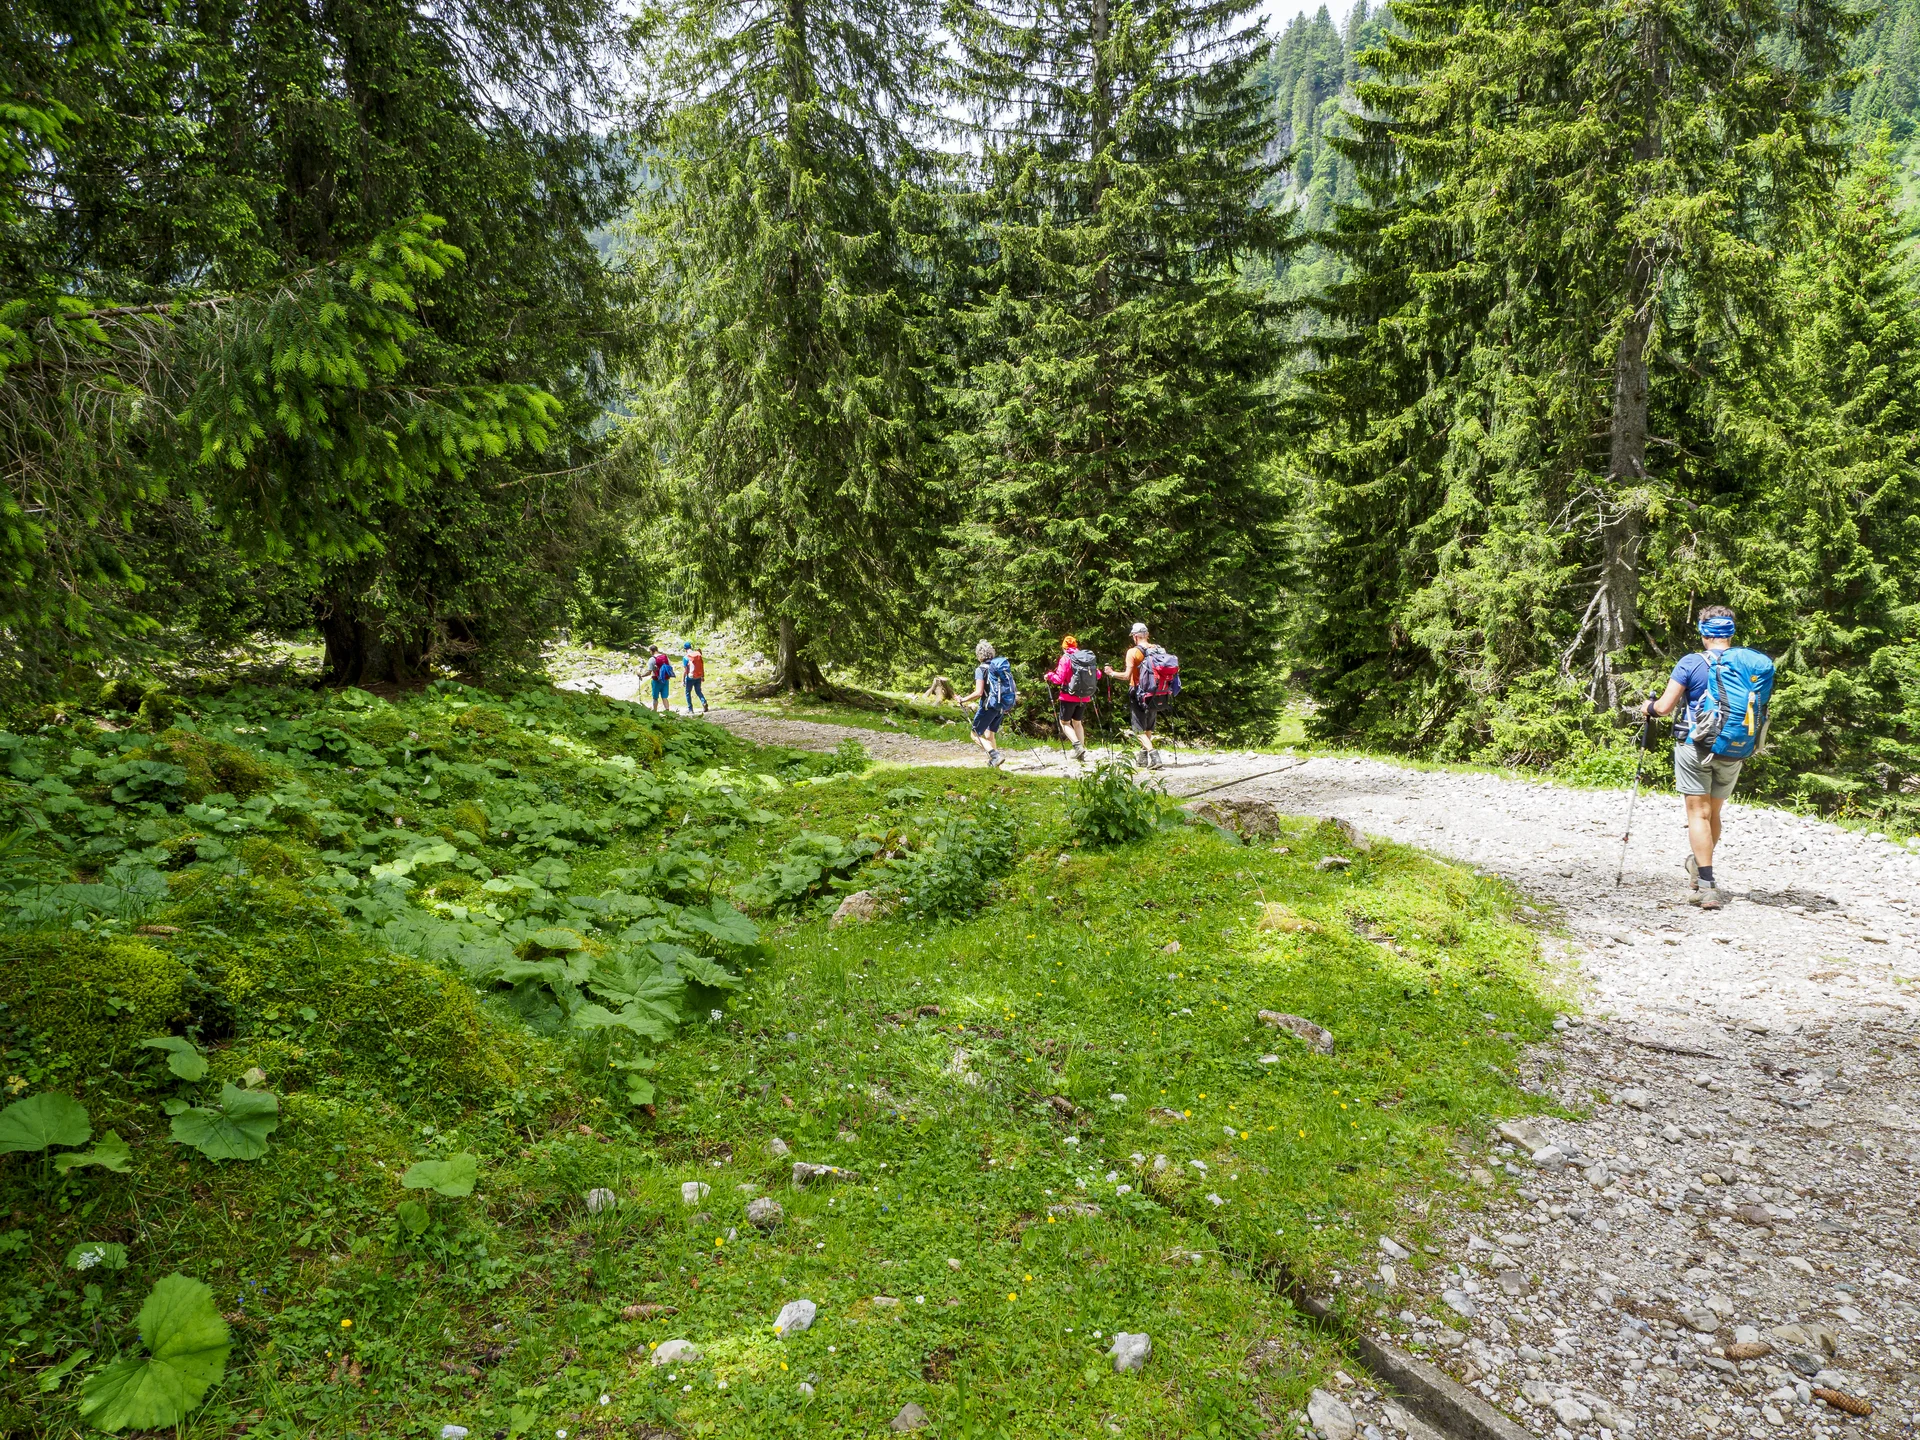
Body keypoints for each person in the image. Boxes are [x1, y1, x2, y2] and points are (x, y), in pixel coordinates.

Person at [1643, 605, 1770, 911]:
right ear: (1731, 633)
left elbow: (1663, 708)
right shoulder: (1747, 665)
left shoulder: (1691, 663)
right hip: (1733, 748)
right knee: (1713, 814)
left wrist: (1648, 707)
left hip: (1695, 747)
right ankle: (1700, 868)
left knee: (1697, 816)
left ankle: (1707, 887)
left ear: (1703, 632)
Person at [1121, 621, 1178, 770]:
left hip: (1138, 691)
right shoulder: (1159, 649)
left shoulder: (1133, 652)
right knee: (1148, 726)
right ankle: (1142, 757)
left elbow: (1127, 675)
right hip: (1157, 691)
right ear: (1147, 635)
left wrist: (1111, 673)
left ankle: (1154, 755)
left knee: (1138, 729)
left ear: (1135, 636)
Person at [955, 640, 1015, 767]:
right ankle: (995, 764)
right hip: (1000, 706)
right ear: (991, 653)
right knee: (989, 734)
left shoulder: (980, 670)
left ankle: (995, 756)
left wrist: (963, 700)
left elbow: (978, 692)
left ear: (979, 655)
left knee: (974, 734)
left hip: (988, 706)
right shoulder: (997, 668)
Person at [1044, 634, 1100, 761]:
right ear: (1076, 646)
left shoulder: (1066, 658)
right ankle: (1081, 750)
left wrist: (1049, 676)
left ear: (1064, 647)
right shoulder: (1085, 658)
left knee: (1064, 722)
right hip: (1085, 696)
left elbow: (1059, 679)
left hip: (1068, 696)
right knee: (1077, 722)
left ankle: (1077, 746)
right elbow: (1098, 674)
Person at [682, 641, 708, 714]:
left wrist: (683, 680)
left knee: (687, 692)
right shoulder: (697, 655)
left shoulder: (685, 657)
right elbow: (701, 666)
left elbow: (685, 670)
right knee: (698, 691)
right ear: (691, 647)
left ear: (685, 649)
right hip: (698, 676)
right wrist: (702, 676)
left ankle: (690, 709)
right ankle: (704, 702)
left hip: (690, 677)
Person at [647, 646, 673, 713]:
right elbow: (670, 666)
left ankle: (655, 712)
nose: (650, 652)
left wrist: (641, 675)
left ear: (652, 651)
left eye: (650, 651)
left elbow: (649, 672)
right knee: (664, 697)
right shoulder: (665, 657)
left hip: (656, 680)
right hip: (665, 680)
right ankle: (668, 712)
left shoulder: (652, 659)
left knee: (655, 697)